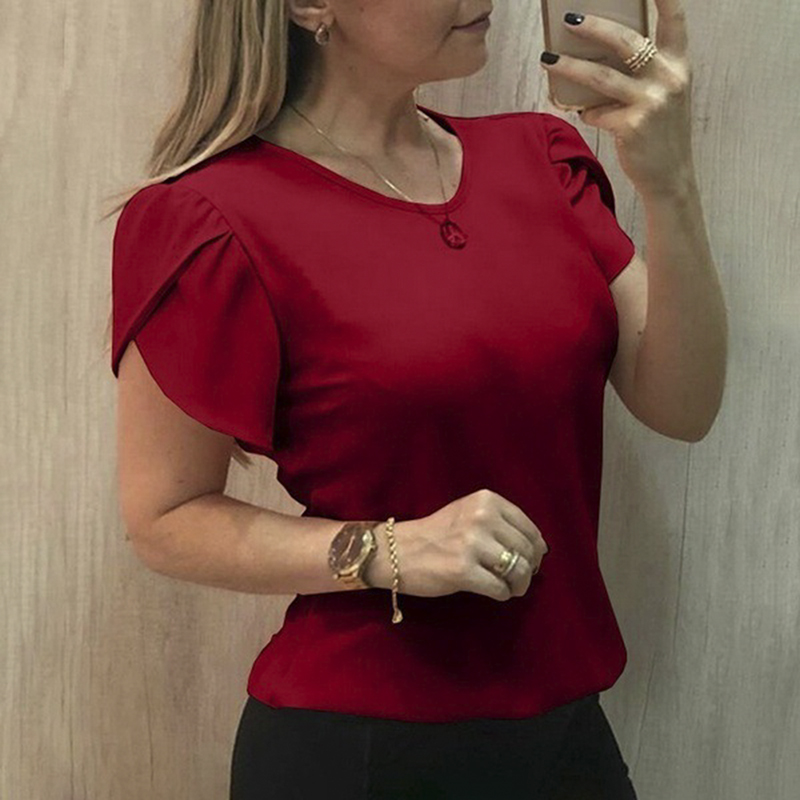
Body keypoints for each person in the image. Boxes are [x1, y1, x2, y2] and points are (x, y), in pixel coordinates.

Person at [109, 0, 721, 797]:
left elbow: (684, 405)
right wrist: (385, 550)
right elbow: (165, 519)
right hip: (363, 749)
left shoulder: (539, 159)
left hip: (568, 732)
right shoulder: (212, 217)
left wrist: (671, 184)